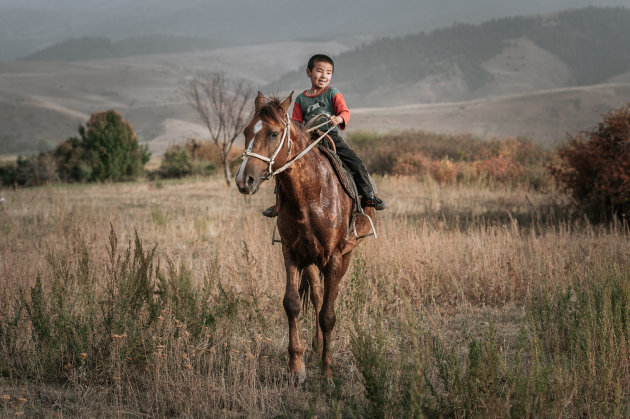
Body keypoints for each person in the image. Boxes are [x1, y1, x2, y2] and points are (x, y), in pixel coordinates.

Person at [262, 53, 387, 217]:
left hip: (330, 137)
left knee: (356, 163)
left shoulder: (332, 93)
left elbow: (345, 112)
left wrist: (339, 118)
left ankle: (369, 196)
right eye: (319, 71)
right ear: (308, 72)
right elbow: (298, 123)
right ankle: (279, 203)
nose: (324, 76)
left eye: (328, 73)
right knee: (284, 168)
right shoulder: (301, 99)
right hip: (309, 141)